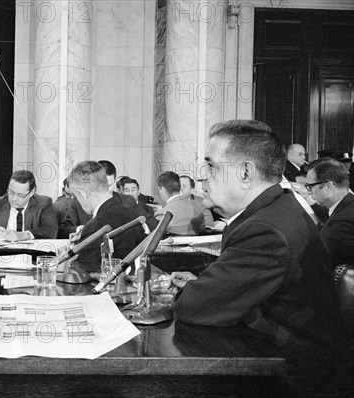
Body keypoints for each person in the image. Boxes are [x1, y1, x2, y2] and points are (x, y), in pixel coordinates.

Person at [170, 120, 350, 395]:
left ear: (245, 172)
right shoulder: (274, 209)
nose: (203, 178)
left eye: (211, 166)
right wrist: (204, 284)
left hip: (292, 380)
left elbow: (193, 307)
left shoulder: (265, 230)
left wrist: (196, 291)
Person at [67, 161, 145, 272]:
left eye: (75, 195)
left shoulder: (95, 228)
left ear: (83, 195)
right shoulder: (130, 212)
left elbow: (79, 274)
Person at [59, 160, 156, 238]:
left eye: (108, 185)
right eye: (101, 185)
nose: (104, 190)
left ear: (115, 182)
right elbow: (63, 230)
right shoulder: (78, 201)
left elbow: (151, 222)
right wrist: (81, 229)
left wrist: (136, 228)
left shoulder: (127, 201)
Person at [0, 170, 58, 241]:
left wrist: (23, 235)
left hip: (31, 258)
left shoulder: (43, 203)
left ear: (32, 192)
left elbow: (50, 230)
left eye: (20, 195)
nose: (14, 198)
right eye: (11, 192)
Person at [306, 158, 354, 268]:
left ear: (328, 187)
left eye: (310, 187)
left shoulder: (342, 222)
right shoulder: (348, 204)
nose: (309, 193)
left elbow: (317, 262)